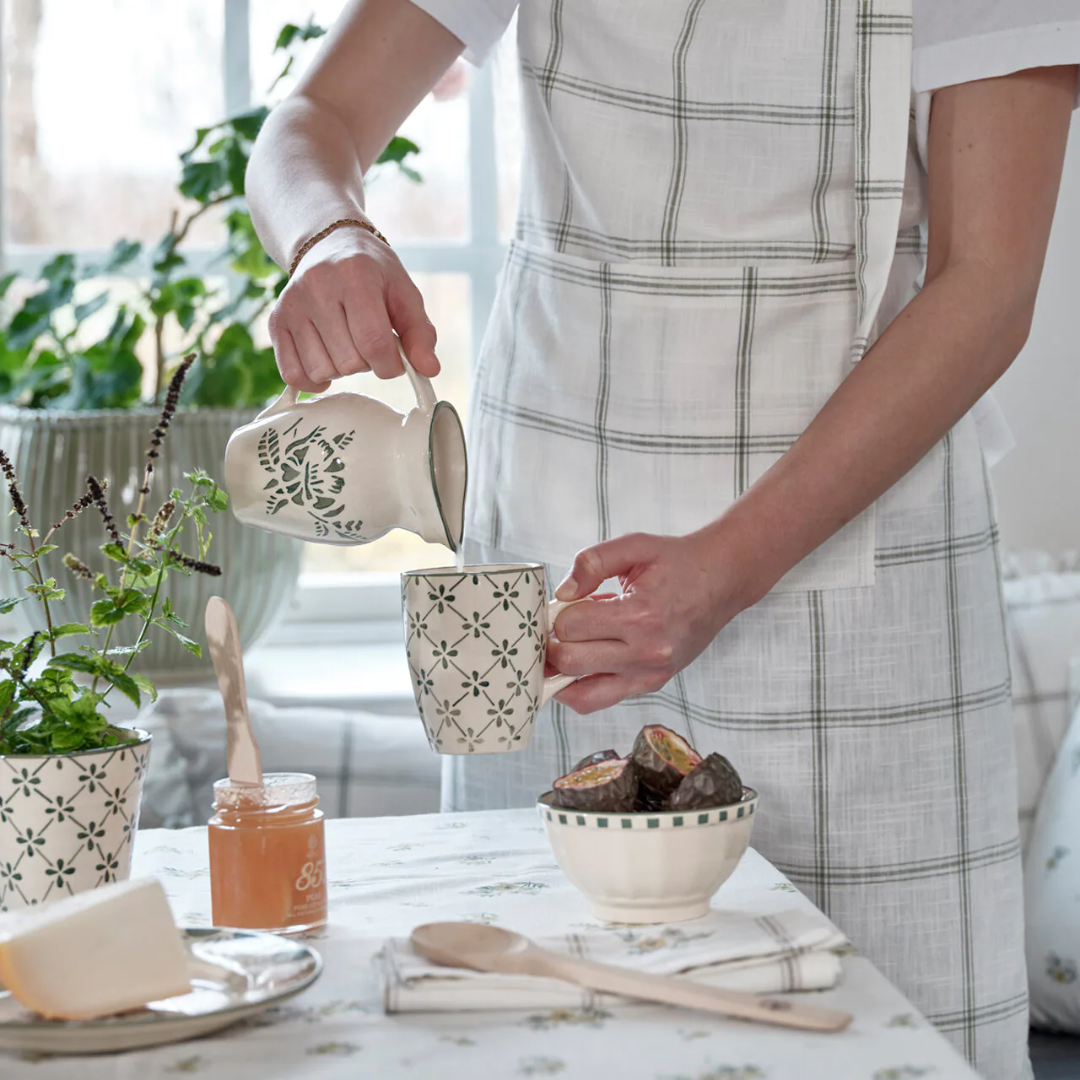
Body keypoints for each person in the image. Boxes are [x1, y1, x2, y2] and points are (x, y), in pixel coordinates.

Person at [245, 3, 1080, 1075]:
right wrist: (329, 233)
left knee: (887, 1041)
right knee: (547, 1035)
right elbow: (313, 119)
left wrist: (728, 568)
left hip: (858, 620)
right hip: (552, 564)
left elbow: (991, 283)